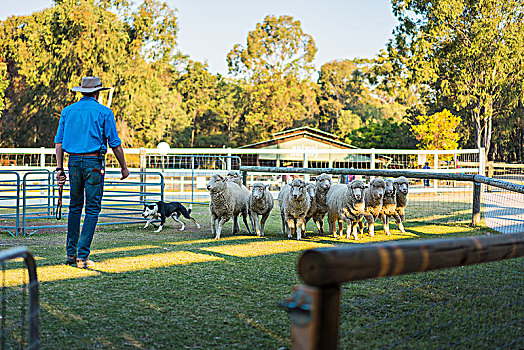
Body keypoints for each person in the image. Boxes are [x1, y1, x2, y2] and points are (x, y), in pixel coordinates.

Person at [55, 76, 129, 269]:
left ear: (81, 91)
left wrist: (60, 168)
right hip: (94, 162)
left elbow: (59, 143)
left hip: (72, 163)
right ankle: (82, 256)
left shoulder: (67, 111)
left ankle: (71, 254)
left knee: (74, 206)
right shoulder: (104, 112)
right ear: (97, 92)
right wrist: (123, 166)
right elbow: (115, 144)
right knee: (92, 209)